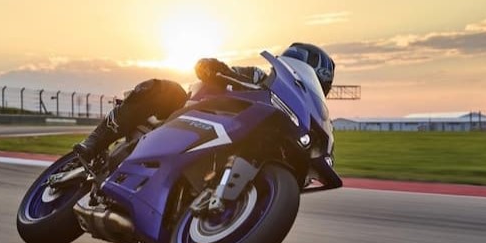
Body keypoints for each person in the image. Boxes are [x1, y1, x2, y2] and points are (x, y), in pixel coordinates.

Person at [73, 42, 335, 167]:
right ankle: (94, 143)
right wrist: (215, 68)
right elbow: (213, 70)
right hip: (194, 114)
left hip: (231, 143)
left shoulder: (299, 119)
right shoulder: (259, 78)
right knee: (166, 90)